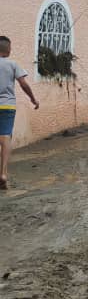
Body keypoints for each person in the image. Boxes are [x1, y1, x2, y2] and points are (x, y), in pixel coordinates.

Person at [0, 36, 39, 190]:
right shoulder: (13, 64)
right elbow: (24, 84)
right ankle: (3, 173)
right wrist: (33, 99)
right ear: (8, 49)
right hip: (7, 106)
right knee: (5, 137)